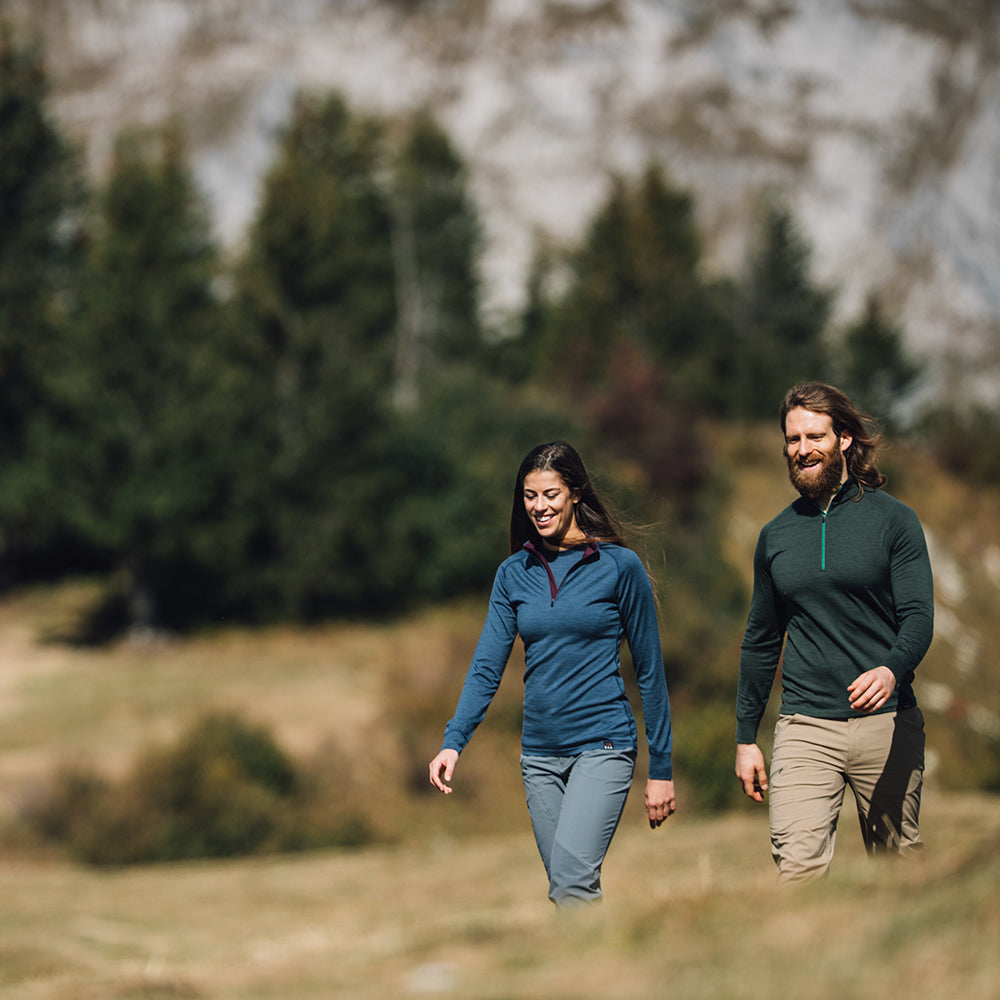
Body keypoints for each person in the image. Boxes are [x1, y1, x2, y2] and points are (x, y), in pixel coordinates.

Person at [429, 440, 676, 908]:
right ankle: (600, 976)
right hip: (539, 757)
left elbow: (650, 671)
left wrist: (661, 769)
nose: (539, 507)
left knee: (571, 883)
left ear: (576, 493)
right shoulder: (512, 573)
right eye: (529, 496)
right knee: (569, 893)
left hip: (603, 746)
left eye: (551, 494)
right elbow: (486, 666)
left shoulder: (619, 567)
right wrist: (453, 740)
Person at [735, 382, 934, 883]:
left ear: (844, 439)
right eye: (793, 439)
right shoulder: (775, 536)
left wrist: (891, 670)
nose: (803, 449)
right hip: (806, 725)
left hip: (887, 722)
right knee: (797, 872)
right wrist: (745, 737)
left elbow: (918, 618)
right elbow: (761, 641)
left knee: (898, 873)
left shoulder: (895, 521)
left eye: (815, 436)